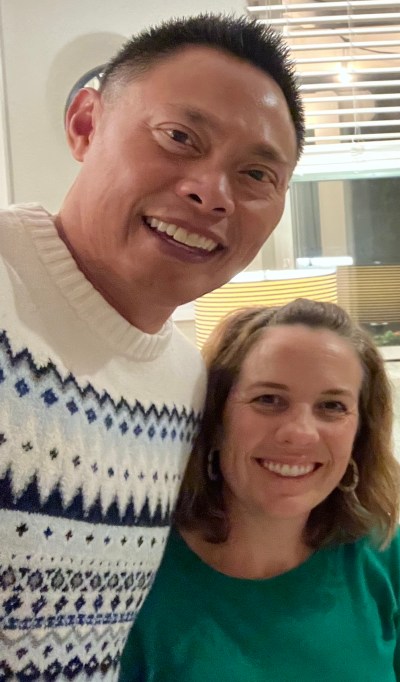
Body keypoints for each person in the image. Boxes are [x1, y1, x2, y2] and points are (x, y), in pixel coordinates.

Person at [0, 14, 304, 679]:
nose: (210, 193)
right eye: (179, 137)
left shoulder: (185, 383)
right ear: (86, 125)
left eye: (256, 174)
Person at [119, 299, 400, 680]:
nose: (299, 433)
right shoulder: (136, 569)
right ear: (215, 420)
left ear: (359, 434)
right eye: (268, 400)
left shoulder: (383, 552)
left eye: (332, 406)